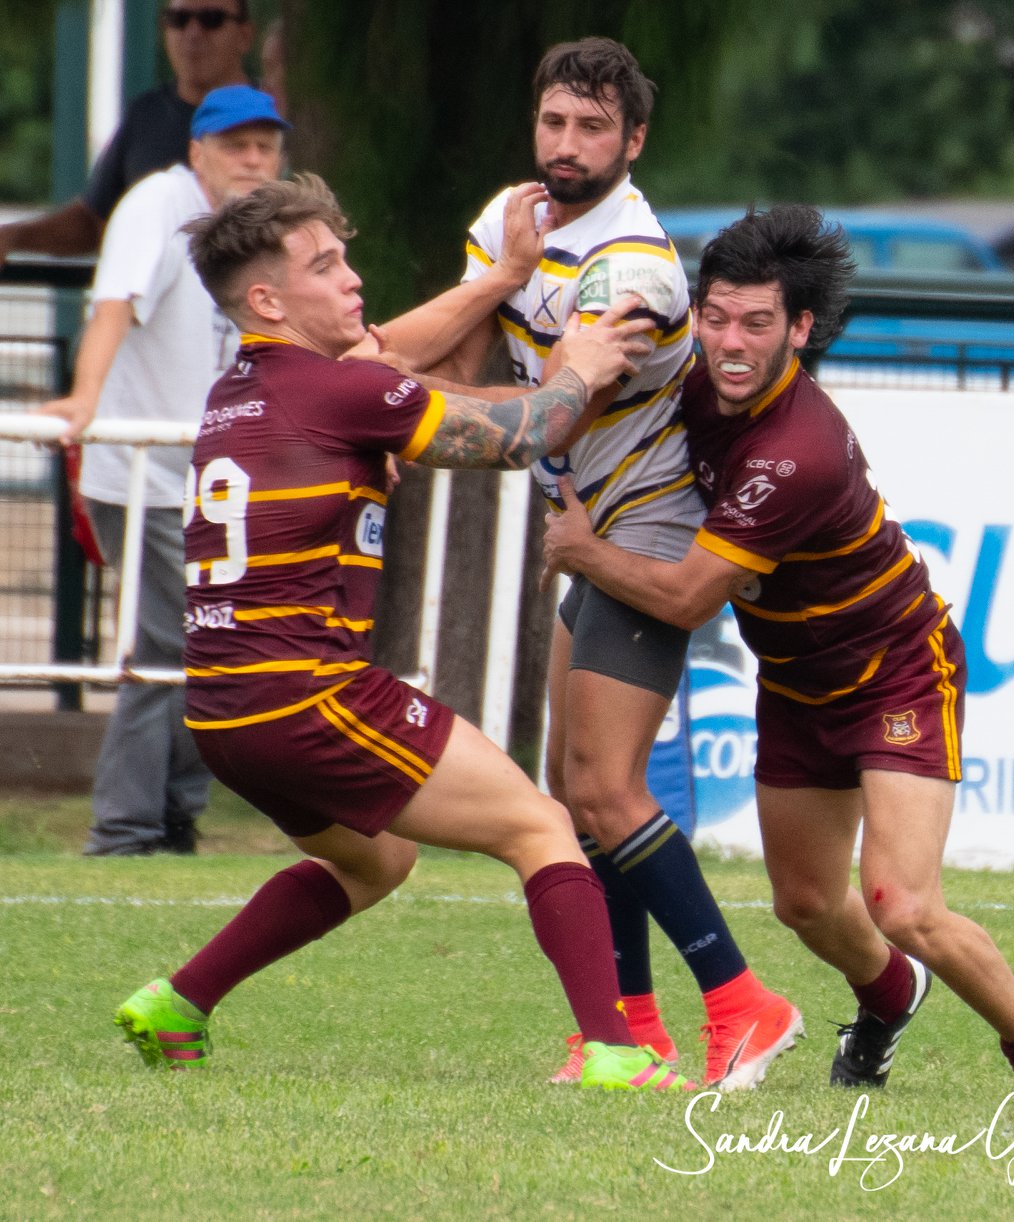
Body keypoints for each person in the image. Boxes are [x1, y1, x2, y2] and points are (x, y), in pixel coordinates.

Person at [111, 172, 688, 1095]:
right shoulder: (332, 394)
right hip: (309, 696)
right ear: (267, 299)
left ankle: (180, 1003)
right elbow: (521, 436)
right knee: (543, 827)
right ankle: (614, 1053)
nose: (351, 278)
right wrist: (577, 364)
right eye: (325, 265)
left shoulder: (247, 389)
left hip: (226, 715)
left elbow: (382, 352)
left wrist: (502, 278)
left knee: (376, 861)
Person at [539, 204, 1014, 1098]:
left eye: (756, 323)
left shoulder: (792, 453)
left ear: (799, 328)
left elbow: (686, 595)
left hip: (897, 671)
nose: (728, 341)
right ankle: (886, 999)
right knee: (803, 905)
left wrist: (584, 552)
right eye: (715, 317)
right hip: (796, 684)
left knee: (901, 902)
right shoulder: (690, 378)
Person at [364, 37, 799, 1092]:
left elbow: (550, 413)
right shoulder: (515, 221)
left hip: (647, 532)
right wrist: (498, 280)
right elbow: (425, 357)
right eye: (554, 122)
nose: (566, 145)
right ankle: (631, 1032)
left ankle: (744, 1003)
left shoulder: (635, 269)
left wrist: (390, 403)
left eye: (591, 127)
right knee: (571, 788)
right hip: (587, 533)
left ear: (632, 140)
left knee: (606, 791)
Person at [35, 86, 285, 856]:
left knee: (204, 646)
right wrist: (82, 399)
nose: (252, 159)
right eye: (236, 144)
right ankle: (129, 827)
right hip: (144, 476)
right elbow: (114, 303)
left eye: (265, 146)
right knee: (166, 647)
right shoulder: (160, 202)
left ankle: (171, 814)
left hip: (207, 482)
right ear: (197, 151)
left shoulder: (252, 230)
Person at [0, 0, 254, 263]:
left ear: (245, 35)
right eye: (177, 19)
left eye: (211, 19)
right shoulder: (145, 115)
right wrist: (14, 235)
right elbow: (95, 222)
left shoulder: (271, 116)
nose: (192, 33)